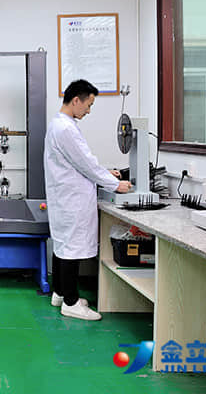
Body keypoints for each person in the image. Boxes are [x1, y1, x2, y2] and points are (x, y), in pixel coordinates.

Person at [44, 79, 131, 321]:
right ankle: (71, 303)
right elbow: (85, 162)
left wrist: (105, 172)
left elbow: (79, 161)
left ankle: (60, 293)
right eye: (88, 105)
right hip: (72, 198)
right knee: (71, 249)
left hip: (65, 196)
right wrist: (115, 184)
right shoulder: (66, 129)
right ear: (76, 100)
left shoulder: (58, 124)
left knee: (63, 245)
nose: (89, 111)